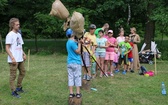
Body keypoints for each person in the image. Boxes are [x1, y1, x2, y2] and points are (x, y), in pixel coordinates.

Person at [5, 18, 26, 98]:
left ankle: (19, 87)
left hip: (20, 58)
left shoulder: (18, 34)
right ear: (12, 25)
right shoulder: (10, 35)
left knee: (23, 72)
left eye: (19, 24)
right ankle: (13, 91)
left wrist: (23, 54)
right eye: (17, 25)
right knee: (13, 76)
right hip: (13, 60)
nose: (19, 26)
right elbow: (7, 48)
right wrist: (12, 58)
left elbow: (20, 46)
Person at [66, 28, 82, 98]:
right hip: (76, 62)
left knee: (70, 77)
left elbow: (75, 41)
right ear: (72, 34)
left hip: (69, 62)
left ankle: (71, 93)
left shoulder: (68, 42)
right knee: (77, 77)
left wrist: (78, 41)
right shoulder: (72, 43)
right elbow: (78, 51)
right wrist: (80, 44)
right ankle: (78, 93)